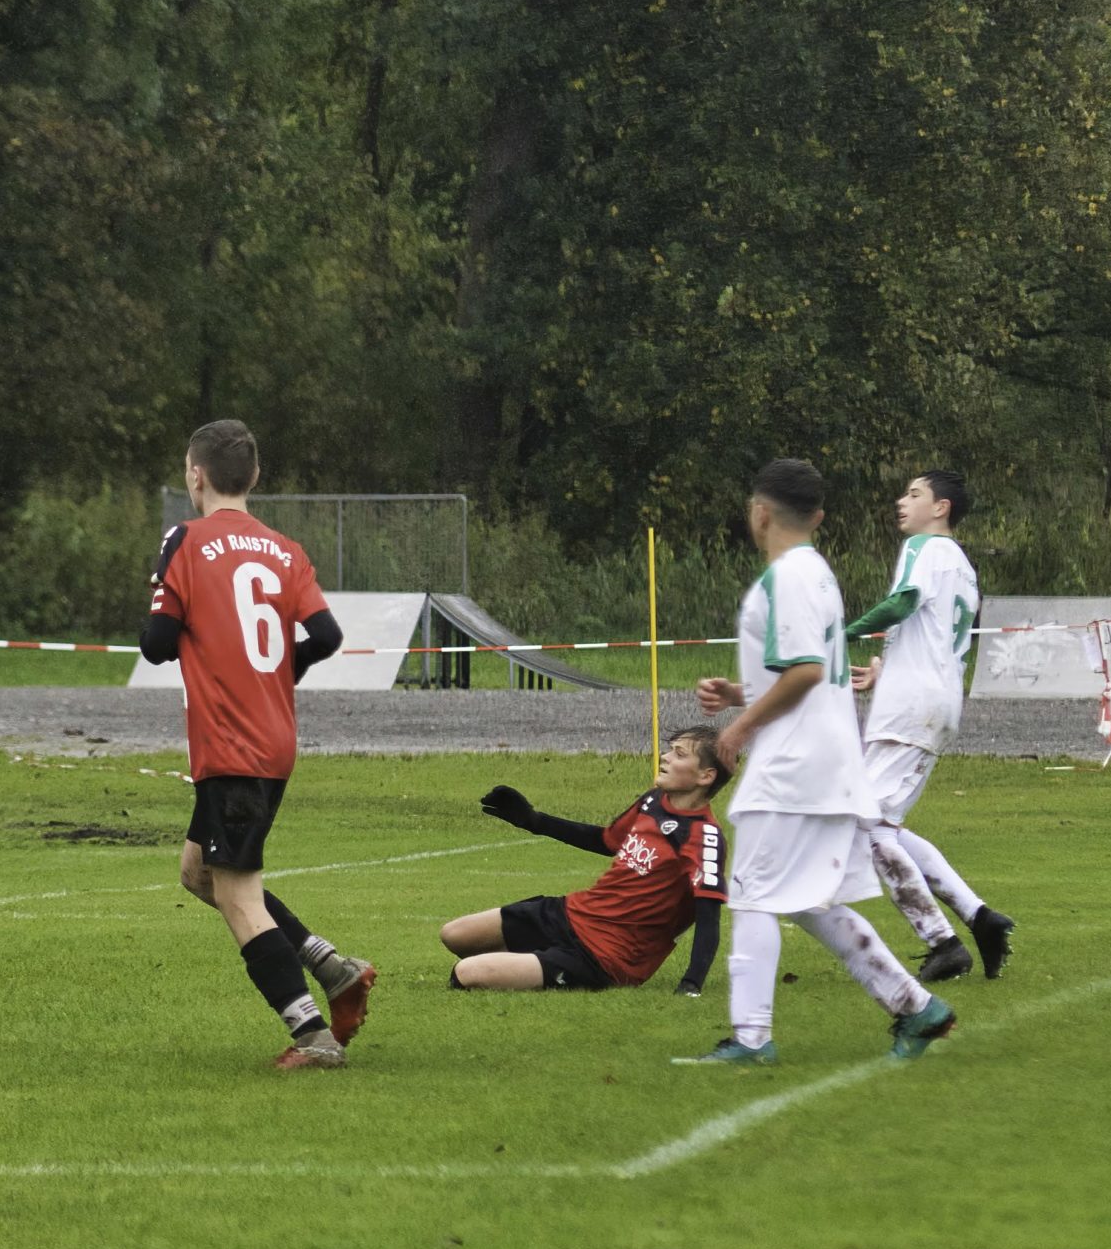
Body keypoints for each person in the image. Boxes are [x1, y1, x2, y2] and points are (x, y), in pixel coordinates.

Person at [679, 458, 954, 1066]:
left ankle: (751, 1039)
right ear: (819, 516)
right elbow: (814, 671)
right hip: (825, 759)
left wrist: (739, 728)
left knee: (752, 895)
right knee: (804, 900)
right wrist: (741, 694)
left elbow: (805, 670)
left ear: (760, 513)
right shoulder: (818, 574)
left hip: (794, 765)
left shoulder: (789, 577)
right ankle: (917, 1007)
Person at [139, 419, 376, 1071]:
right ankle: (334, 968)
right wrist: (283, 667)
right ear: (255, 476)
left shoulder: (185, 539)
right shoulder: (284, 549)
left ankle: (313, 1036)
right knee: (198, 872)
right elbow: (326, 636)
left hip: (231, 742)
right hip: (272, 736)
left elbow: (156, 644)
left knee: (238, 896)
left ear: (196, 475)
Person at [846, 470, 1015, 981]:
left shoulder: (923, 546)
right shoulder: (961, 564)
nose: (902, 501)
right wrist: (885, 668)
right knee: (883, 825)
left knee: (866, 826)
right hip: (933, 700)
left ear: (940, 507)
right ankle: (980, 918)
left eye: (914, 493)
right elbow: (932, 633)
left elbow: (903, 602)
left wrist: (836, 636)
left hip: (912, 706)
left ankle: (942, 941)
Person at [440, 728, 727, 993]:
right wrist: (534, 821)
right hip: (573, 913)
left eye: (679, 754)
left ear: (706, 776)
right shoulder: (654, 801)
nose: (665, 757)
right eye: (670, 749)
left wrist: (691, 983)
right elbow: (606, 840)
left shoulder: (704, 838)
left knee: (465, 973)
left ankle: (545, 964)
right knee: (454, 935)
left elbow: (709, 916)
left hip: (605, 954)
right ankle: (536, 960)